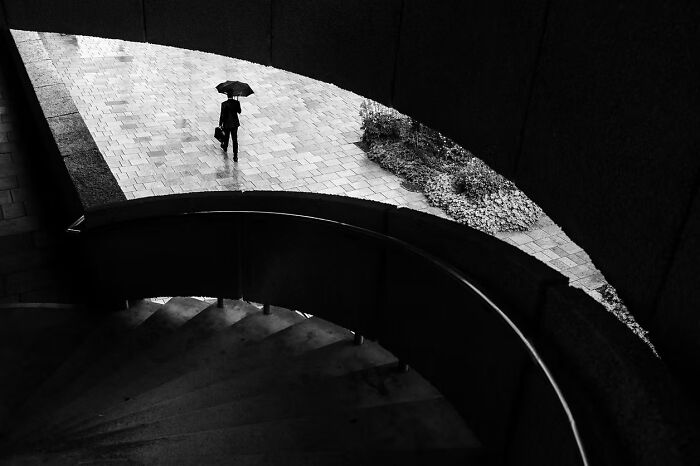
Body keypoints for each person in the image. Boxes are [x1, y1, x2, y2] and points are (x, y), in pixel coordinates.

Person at [218, 90, 241, 161]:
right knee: (235, 140)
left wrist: (220, 124)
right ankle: (235, 156)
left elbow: (222, 115)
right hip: (234, 124)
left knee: (226, 137)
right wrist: (237, 103)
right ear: (233, 96)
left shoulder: (224, 104)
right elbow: (239, 111)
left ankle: (225, 147)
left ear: (227, 96)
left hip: (227, 123)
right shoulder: (236, 103)